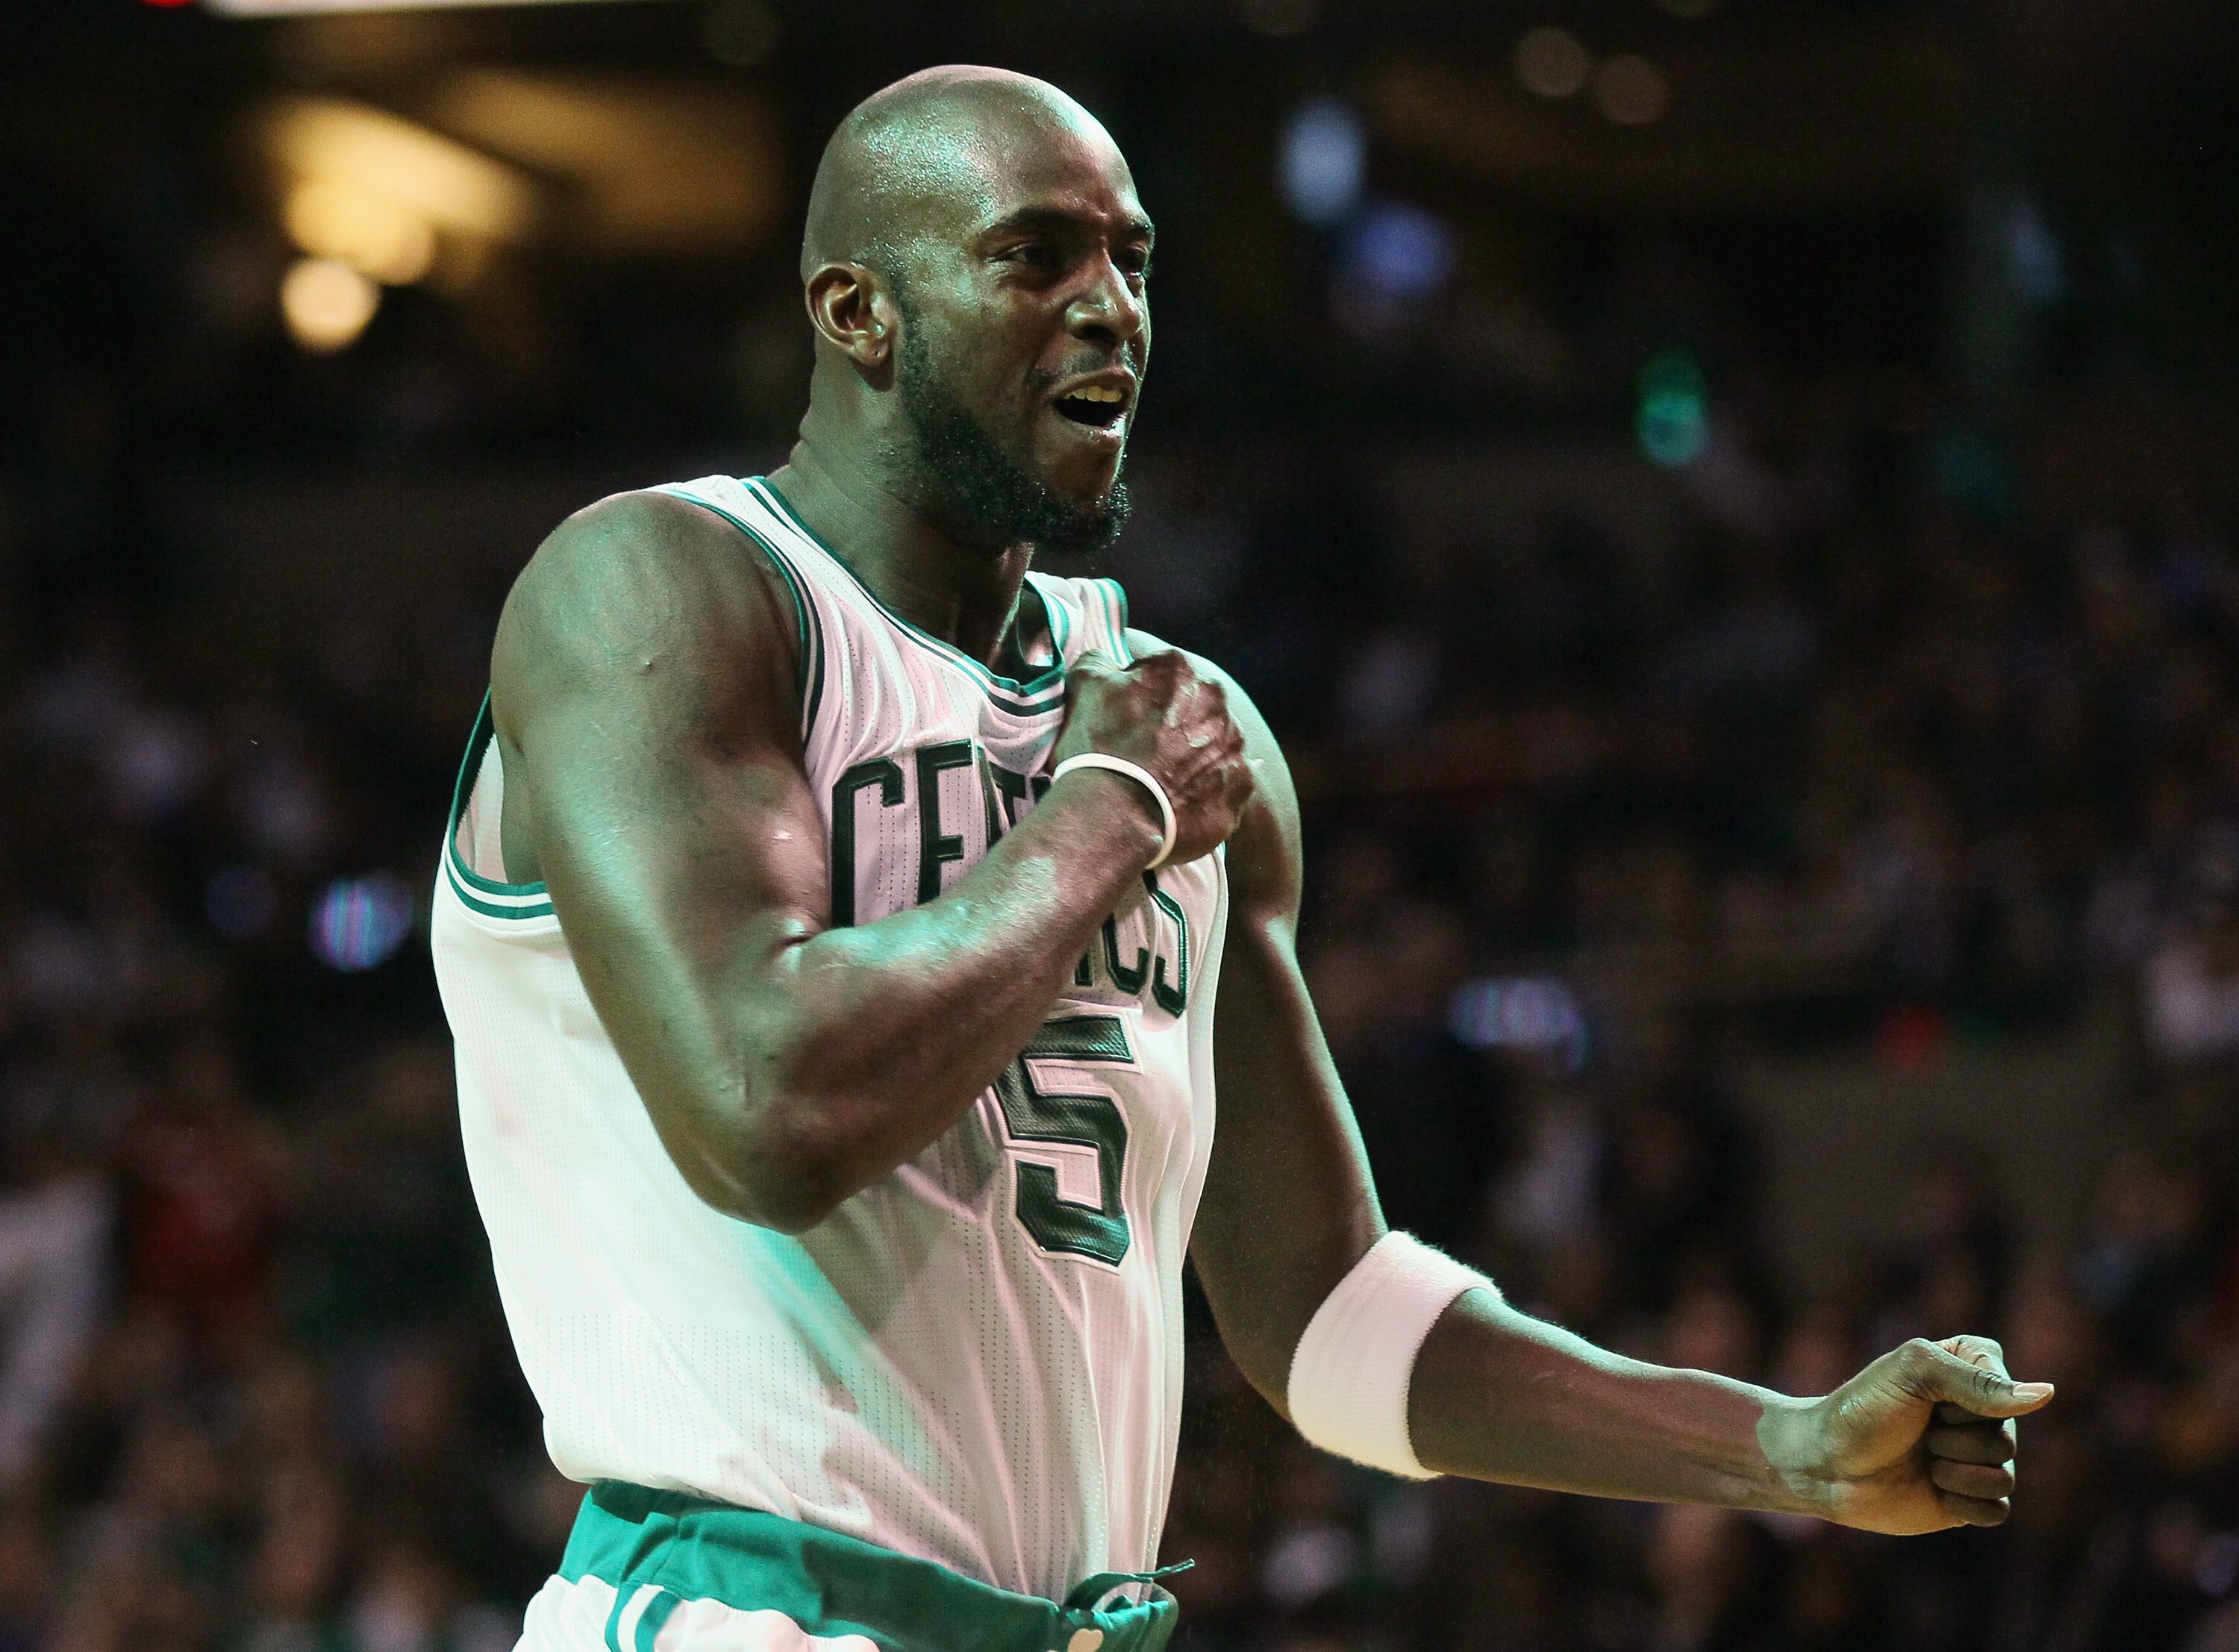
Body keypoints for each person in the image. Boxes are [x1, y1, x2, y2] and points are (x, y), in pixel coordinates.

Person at [431, 65, 2052, 1652]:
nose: (1111, 308)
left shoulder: (1187, 731)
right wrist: (1103, 814)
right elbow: (764, 1106)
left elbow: (1331, 1317)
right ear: (860, 311)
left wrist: (1778, 1448)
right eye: (1034, 256)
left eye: (1131, 259)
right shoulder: (664, 592)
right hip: (740, 1606)